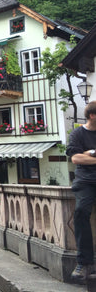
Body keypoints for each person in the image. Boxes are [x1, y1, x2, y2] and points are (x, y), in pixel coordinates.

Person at [67, 100, 96, 281]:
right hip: (85, 182)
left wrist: (90, 153)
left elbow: (82, 156)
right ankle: (84, 263)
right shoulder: (77, 133)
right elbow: (76, 158)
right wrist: (86, 155)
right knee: (80, 212)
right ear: (92, 115)